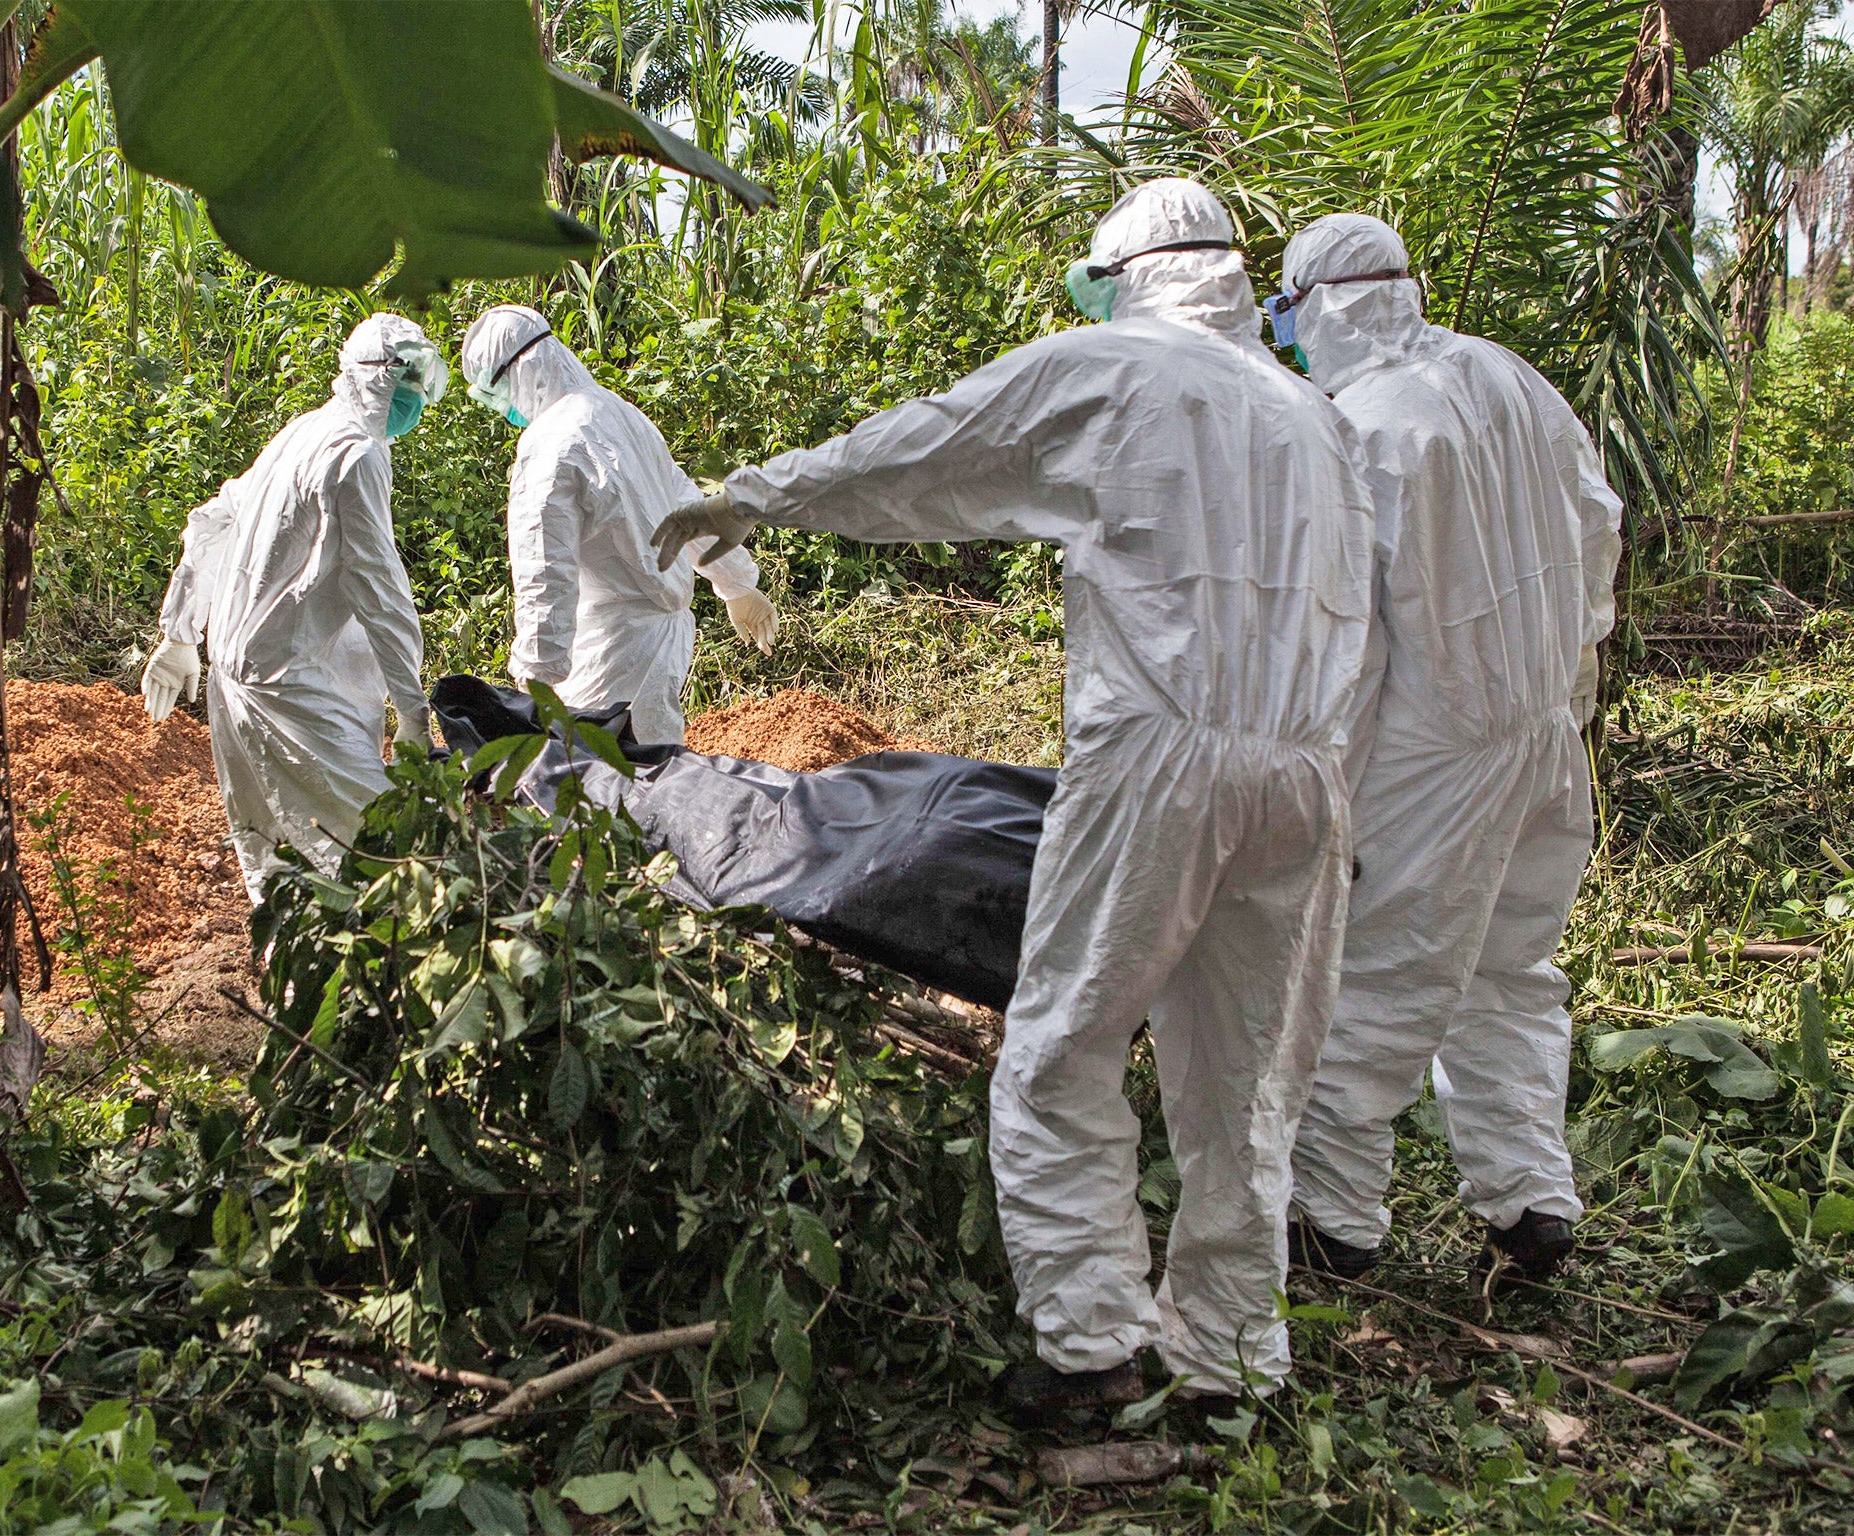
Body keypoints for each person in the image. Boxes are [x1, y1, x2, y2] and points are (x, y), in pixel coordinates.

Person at [653, 179, 1376, 1408]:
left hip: (1159, 754)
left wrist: (753, 495)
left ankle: (1089, 1346)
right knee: (1247, 1077)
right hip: (1308, 770)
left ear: (1125, 272)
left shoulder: (1116, 363)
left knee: (1062, 1044)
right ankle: (1232, 1361)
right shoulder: (1315, 417)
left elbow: (931, 443)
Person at [1271, 214, 1623, 1281]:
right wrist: (1564, 668)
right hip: (1543, 729)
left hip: (1435, 752)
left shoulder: (1360, 426)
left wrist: (1327, 778)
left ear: (1317, 306)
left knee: (1371, 979)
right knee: (1509, 970)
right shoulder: (1507, 376)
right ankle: (1528, 1201)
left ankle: (1330, 1222)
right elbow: (1599, 523)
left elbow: (1349, 635)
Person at [140, 313, 445, 903]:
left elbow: (211, 518)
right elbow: (379, 592)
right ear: (380, 381)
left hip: (236, 679)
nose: (415, 401)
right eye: (409, 385)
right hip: (290, 688)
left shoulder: (302, 432)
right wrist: (411, 711)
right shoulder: (355, 456)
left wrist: (181, 633)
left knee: (274, 859)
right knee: (378, 851)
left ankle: (298, 989)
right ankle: (379, 987)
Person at [460, 305, 778, 746]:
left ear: (519, 373)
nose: (501, 408)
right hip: (660, 639)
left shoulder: (549, 444)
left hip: (608, 650)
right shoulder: (620, 412)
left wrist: (535, 678)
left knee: (596, 782)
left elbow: (545, 572)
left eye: (493, 393)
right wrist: (736, 581)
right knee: (657, 768)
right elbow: (685, 506)